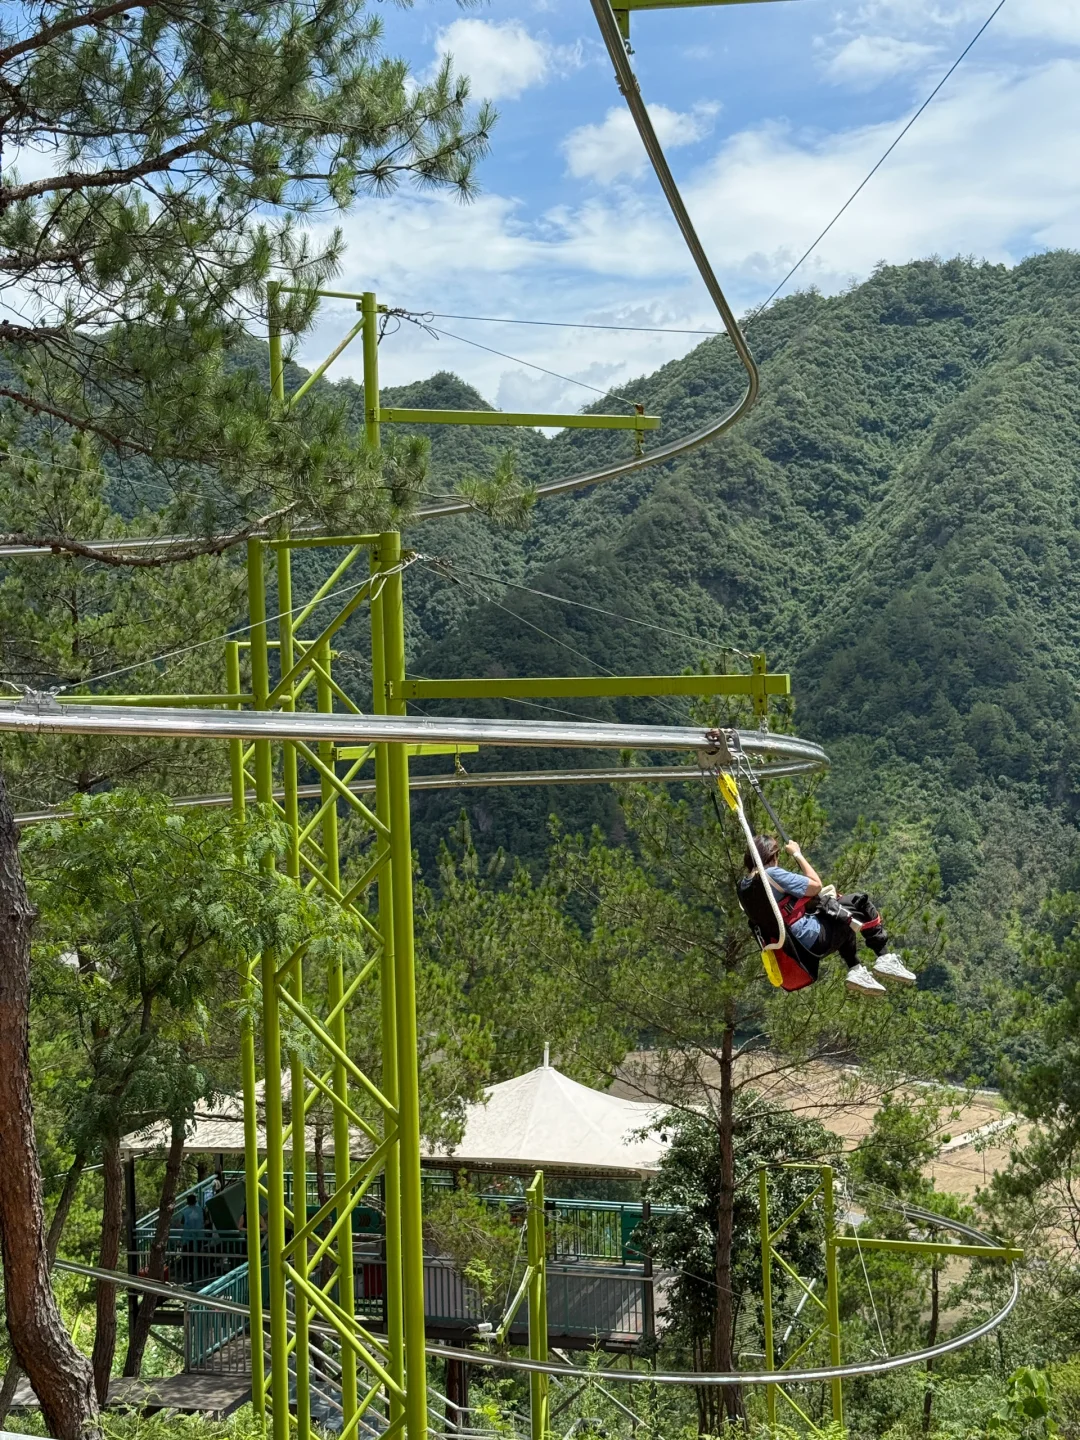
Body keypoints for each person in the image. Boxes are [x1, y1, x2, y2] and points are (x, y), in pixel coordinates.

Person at [742, 834, 916, 996]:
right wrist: (797, 854)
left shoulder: (744, 886)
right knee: (858, 902)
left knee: (841, 916)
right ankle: (884, 956)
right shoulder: (771, 874)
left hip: (794, 948)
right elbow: (816, 885)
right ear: (771, 856)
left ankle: (855, 969)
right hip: (812, 939)